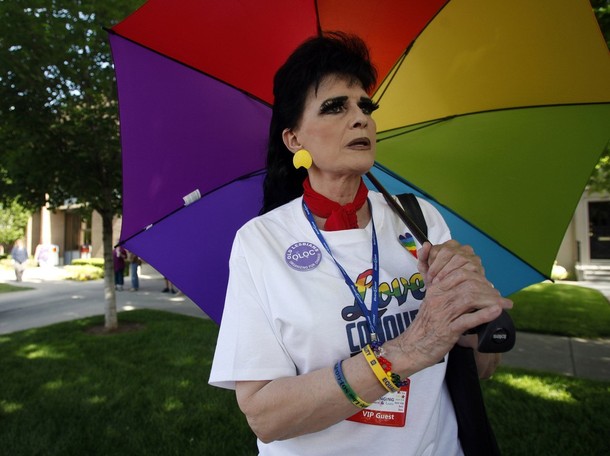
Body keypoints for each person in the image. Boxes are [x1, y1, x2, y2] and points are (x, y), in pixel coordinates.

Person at [209, 33, 512, 455]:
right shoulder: (261, 242)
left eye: (365, 106)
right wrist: (405, 352)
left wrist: (476, 316)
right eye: (336, 107)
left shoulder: (421, 220)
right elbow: (265, 416)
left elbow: (483, 368)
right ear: (294, 139)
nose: (361, 119)